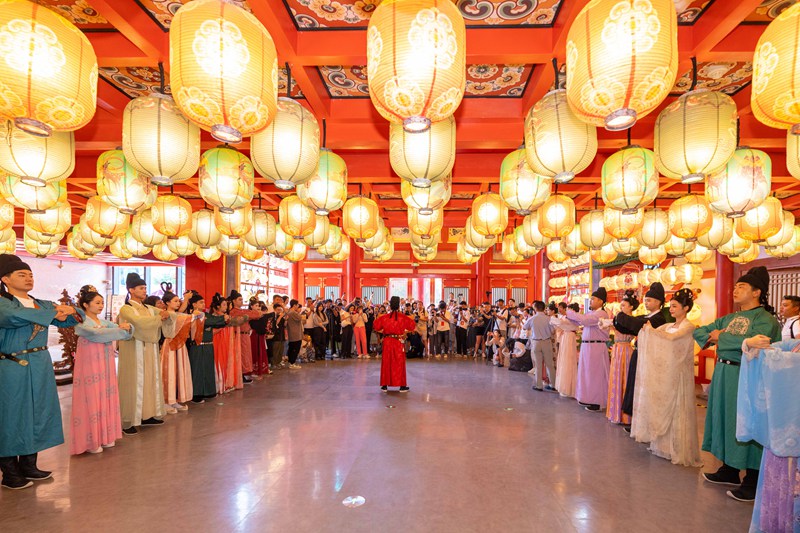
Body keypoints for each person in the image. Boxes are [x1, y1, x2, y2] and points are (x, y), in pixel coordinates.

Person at [694, 266, 781, 502]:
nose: (735, 289)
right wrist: (728, 338)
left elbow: (759, 343)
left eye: (741, 286)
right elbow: (701, 331)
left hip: (747, 376)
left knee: (747, 422)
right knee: (723, 418)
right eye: (735, 285)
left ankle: (752, 479)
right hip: (722, 372)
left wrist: (721, 336)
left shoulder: (765, 319)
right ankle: (729, 469)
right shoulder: (730, 317)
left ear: (756, 292)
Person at [0, 255, 82, 489]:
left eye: (30, 275)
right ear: (5, 279)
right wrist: (54, 312)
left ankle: (29, 465)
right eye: (21, 275)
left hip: (40, 363)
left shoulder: (40, 304)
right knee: (11, 415)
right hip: (12, 364)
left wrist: (69, 309)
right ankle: (9, 471)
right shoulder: (4, 303)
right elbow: (11, 317)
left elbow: (74, 318)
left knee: (37, 411)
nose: (28, 279)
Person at [631, 289, 701, 467]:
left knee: (677, 409)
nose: (671, 309)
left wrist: (651, 332)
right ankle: (660, 446)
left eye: (675, 306)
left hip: (678, 375)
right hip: (665, 374)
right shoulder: (667, 326)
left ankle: (676, 449)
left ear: (686, 308)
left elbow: (671, 339)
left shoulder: (688, 326)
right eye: (670, 306)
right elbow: (656, 334)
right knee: (660, 405)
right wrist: (647, 330)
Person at [737, 335, 800, 532]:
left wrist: (778, 358)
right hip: (784, 426)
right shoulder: (795, 342)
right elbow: (763, 351)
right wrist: (749, 343)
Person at [71, 286, 132, 455]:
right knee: (91, 396)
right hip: (90, 365)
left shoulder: (104, 323)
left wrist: (124, 328)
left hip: (105, 363)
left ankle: (105, 435)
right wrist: (119, 329)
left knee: (105, 394)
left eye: (102, 303)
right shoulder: (82, 323)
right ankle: (91, 440)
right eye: (97, 303)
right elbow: (98, 335)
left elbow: (123, 332)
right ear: (85, 305)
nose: (100, 305)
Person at [117, 272, 173, 435]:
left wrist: (166, 314)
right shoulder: (126, 309)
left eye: (145, 288)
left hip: (149, 349)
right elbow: (140, 323)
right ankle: (129, 420)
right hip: (134, 350)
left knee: (150, 380)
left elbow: (167, 314)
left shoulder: (148, 308)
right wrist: (159, 318)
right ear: (131, 290)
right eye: (141, 288)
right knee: (134, 382)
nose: (144, 291)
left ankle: (147, 415)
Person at [615, 282, 668, 430]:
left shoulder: (659, 319)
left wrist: (620, 316)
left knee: (643, 387)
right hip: (639, 354)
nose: (646, 302)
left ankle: (643, 422)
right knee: (634, 385)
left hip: (649, 357)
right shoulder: (646, 316)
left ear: (659, 302)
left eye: (649, 300)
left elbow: (636, 324)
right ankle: (635, 418)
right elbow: (630, 326)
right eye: (645, 300)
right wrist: (617, 320)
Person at [567, 287, 610, 412]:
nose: (590, 301)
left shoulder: (601, 314)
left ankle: (596, 402)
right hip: (588, 346)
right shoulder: (592, 313)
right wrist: (568, 316)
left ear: (601, 301)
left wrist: (569, 312)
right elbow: (581, 321)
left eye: (593, 299)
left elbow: (585, 320)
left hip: (596, 346)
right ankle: (587, 398)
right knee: (586, 373)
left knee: (595, 375)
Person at [186, 291, 227, 404]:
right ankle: (196, 394)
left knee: (208, 369)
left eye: (204, 302)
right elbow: (209, 321)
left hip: (209, 345)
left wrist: (224, 320)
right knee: (198, 370)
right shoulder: (194, 315)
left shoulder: (206, 314)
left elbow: (215, 322)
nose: (204, 304)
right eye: (201, 302)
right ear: (194, 304)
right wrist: (223, 319)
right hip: (198, 346)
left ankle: (209, 391)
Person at [160, 285, 196, 414]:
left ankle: (174, 400)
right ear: (167, 303)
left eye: (178, 300)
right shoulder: (166, 314)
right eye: (175, 301)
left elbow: (180, 314)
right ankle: (166, 401)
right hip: (170, 344)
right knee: (169, 373)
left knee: (178, 372)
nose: (178, 303)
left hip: (178, 345)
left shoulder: (174, 314)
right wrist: (193, 314)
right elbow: (182, 316)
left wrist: (185, 301)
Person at [605, 290, 637, 425]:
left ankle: (625, 415)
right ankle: (615, 412)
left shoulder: (633, 321)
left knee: (625, 379)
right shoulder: (618, 318)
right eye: (621, 305)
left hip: (626, 349)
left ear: (631, 307)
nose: (621, 308)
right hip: (617, 349)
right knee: (616, 378)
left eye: (624, 305)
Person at [374, 296, 416, 392]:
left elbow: (376, 325)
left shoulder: (384, 317)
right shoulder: (402, 317)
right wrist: (404, 332)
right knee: (399, 363)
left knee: (386, 362)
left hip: (387, 341)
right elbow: (412, 325)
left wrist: (384, 331)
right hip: (398, 341)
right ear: (398, 305)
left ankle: (384, 385)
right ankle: (401, 385)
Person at [228, 290, 263, 384]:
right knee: (241, 355)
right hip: (239, 335)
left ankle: (243, 374)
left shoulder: (242, 311)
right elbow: (255, 314)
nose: (241, 301)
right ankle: (240, 375)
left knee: (245, 355)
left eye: (242, 299)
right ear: (234, 301)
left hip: (245, 335)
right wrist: (249, 314)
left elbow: (257, 314)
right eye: (239, 299)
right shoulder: (233, 312)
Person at [552, 303, 580, 398]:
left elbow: (563, 324)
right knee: (564, 359)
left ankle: (568, 387)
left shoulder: (572, 318)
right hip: (565, 336)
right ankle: (564, 386)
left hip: (569, 337)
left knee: (568, 360)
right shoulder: (565, 317)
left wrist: (554, 320)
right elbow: (560, 325)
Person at [529, 301, 556, 392]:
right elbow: (553, 331)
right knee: (550, 365)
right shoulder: (548, 319)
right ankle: (553, 385)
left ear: (535, 308)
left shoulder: (533, 318)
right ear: (544, 308)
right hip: (547, 342)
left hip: (536, 342)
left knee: (538, 365)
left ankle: (539, 385)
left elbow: (525, 327)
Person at [248, 300, 270, 376]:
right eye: (256, 306)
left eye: (258, 306)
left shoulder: (260, 314)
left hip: (260, 335)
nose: (258, 307)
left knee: (261, 351)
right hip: (253, 335)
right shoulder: (250, 315)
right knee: (254, 352)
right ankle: (253, 370)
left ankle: (261, 369)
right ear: (251, 306)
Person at [286, 299, 304, 369]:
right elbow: (300, 318)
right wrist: (300, 313)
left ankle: (291, 362)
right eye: (297, 305)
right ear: (294, 305)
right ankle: (292, 363)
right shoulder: (293, 313)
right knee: (295, 349)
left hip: (293, 333)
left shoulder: (289, 312)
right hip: (295, 334)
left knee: (292, 348)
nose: (298, 307)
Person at [268, 303, 286, 368]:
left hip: (282, 335)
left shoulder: (281, 317)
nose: (279, 311)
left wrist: (286, 319)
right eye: (278, 310)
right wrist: (281, 316)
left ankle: (279, 362)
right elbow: (275, 324)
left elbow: (285, 325)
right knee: (275, 350)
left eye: (280, 310)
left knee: (281, 350)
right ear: (274, 310)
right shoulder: (273, 316)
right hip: (276, 336)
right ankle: (274, 363)